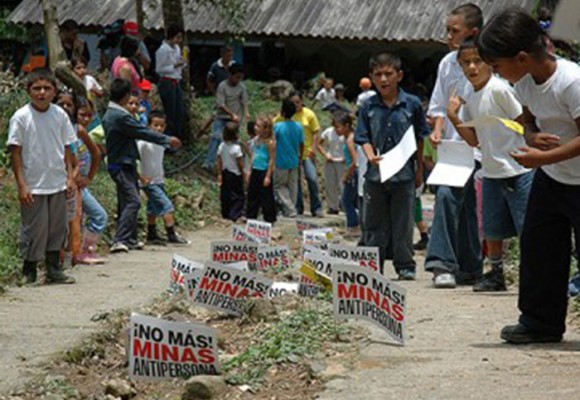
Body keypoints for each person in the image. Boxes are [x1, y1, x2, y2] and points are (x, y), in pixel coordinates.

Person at [477, 8, 580, 344]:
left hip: (569, 175)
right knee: (540, 249)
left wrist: (543, 157)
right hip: (553, 177)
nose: (497, 73)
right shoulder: (524, 84)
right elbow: (527, 120)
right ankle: (540, 322)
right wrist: (532, 136)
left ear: (521, 58)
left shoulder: (570, 82)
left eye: (497, 66)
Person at [447, 38, 533, 292]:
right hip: (492, 170)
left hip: (519, 168)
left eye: (477, 61)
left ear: (490, 63)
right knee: (492, 228)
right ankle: (496, 273)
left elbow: (524, 120)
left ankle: (535, 274)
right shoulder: (471, 97)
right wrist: (452, 117)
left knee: (527, 226)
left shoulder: (499, 89)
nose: (472, 67)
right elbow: (474, 140)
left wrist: (530, 148)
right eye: (466, 63)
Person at [355, 52, 429, 280]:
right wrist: (370, 157)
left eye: (388, 74)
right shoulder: (368, 106)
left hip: (404, 175)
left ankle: (405, 266)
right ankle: (373, 267)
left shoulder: (412, 104)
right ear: (371, 77)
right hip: (375, 176)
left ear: (399, 75)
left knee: (403, 223)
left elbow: (419, 138)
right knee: (374, 224)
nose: (383, 79)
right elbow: (362, 136)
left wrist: (419, 171)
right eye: (378, 74)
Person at [425, 3, 484, 288]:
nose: (448, 36)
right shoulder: (447, 63)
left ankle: (471, 264)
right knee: (447, 197)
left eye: (454, 31)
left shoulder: (489, 63)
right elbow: (437, 106)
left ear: (473, 33)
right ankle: (441, 263)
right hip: (452, 148)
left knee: (468, 206)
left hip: (481, 147)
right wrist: (437, 131)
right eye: (447, 30)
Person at [7, 69, 77, 284]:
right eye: (37, 88)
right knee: (34, 228)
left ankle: (53, 269)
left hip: (57, 181)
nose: (42, 93)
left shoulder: (59, 115)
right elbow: (15, 153)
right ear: (29, 91)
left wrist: (70, 177)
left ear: (54, 91)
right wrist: (22, 185)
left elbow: (68, 149)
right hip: (33, 183)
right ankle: (29, 270)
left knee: (57, 227)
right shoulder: (21, 117)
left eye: (47, 88)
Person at [102, 79, 181, 253]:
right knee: (133, 201)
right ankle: (120, 239)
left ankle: (129, 238)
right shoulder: (119, 116)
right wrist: (167, 139)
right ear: (124, 96)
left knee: (126, 201)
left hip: (127, 163)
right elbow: (142, 132)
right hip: (120, 164)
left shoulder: (115, 113)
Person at [138, 110, 190, 245]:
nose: (159, 128)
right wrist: (140, 177)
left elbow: (172, 146)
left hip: (159, 180)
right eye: (155, 125)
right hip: (149, 182)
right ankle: (171, 234)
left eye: (161, 126)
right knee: (167, 206)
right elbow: (133, 160)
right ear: (148, 126)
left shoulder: (162, 142)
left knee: (152, 208)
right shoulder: (143, 143)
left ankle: (151, 234)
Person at [275, 91, 323, 217]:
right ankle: (297, 207)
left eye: (298, 102)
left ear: (302, 102)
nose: (296, 105)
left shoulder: (309, 114)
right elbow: (274, 123)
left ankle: (316, 207)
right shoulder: (287, 116)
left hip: (307, 153)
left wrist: (313, 148)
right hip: (292, 155)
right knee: (295, 183)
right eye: (293, 102)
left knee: (312, 179)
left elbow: (316, 132)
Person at [74, 97, 109, 264]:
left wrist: (88, 177)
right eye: (82, 114)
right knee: (82, 218)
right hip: (70, 184)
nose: (86, 119)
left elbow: (96, 154)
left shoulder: (84, 134)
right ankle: (78, 252)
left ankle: (86, 250)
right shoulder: (72, 132)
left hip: (81, 186)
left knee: (98, 215)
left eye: (89, 115)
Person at [204, 63, 249, 170]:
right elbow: (220, 104)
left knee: (233, 140)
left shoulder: (241, 87)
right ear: (230, 75)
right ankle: (209, 162)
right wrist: (231, 114)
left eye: (240, 78)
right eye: (236, 77)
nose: (238, 80)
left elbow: (244, 101)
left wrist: (246, 113)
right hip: (222, 117)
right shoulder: (222, 86)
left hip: (234, 119)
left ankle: (233, 163)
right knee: (216, 137)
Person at [273, 99, 304, 218]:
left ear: (283, 112)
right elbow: (301, 144)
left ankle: (290, 209)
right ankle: (291, 209)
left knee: (279, 186)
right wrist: (300, 156)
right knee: (293, 187)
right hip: (294, 160)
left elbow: (273, 142)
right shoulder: (298, 127)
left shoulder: (277, 127)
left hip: (280, 161)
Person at [155, 24, 187, 141]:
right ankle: (168, 139)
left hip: (176, 81)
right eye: (177, 37)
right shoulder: (163, 50)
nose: (179, 40)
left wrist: (182, 63)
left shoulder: (177, 48)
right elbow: (159, 69)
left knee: (179, 112)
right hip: (167, 81)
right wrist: (174, 66)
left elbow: (180, 65)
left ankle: (176, 137)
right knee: (170, 113)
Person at [246, 116, 277, 223]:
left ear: (265, 129)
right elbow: (253, 155)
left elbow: (272, 159)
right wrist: (249, 170)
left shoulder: (270, 143)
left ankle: (269, 219)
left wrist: (268, 176)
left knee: (266, 197)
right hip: (255, 169)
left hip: (264, 171)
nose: (255, 128)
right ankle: (251, 217)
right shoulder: (255, 141)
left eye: (258, 126)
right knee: (252, 195)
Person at [334, 110, 359, 236]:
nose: (336, 130)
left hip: (353, 173)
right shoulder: (352, 137)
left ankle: (353, 226)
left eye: (338, 127)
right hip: (353, 171)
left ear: (347, 126)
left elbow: (355, 161)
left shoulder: (350, 140)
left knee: (346, 200)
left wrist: (346, 175)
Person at [217, 122, 245, 222]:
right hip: (235, 173)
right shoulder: (236, 149)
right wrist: (243, 173)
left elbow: (219, 160)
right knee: (238, 195)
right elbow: (240, 163)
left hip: (225, 172)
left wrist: (219, 173)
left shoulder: (222, 146)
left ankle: (226, 213)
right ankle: (235, 214)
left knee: (226, 194)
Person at [317, 121, 345, 215]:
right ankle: (333, 207)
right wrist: (325, 154)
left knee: (342, 185)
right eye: (335, 126)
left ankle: (345, 206)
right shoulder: (328, 132)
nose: (337, 129)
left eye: (339, 126)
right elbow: (319, 144)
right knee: (330, 184)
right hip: (331, 160)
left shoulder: (346, 133)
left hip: (342, 161)